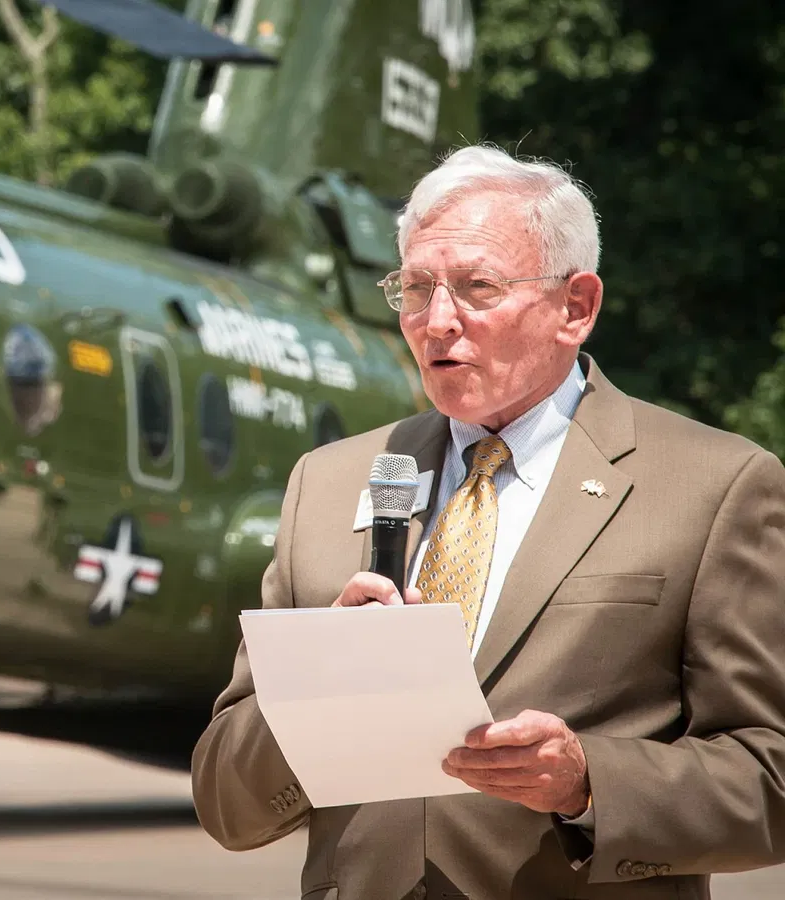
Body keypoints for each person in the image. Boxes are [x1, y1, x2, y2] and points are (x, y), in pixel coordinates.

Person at [190, 143, 785, 898]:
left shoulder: (714, 486)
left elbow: (771, 776)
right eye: (415, 289)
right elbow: (224, 802)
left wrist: (589, 783)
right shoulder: (328, 483)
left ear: (577, 307)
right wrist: (318, 692)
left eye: (477, 287)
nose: (437, 321)